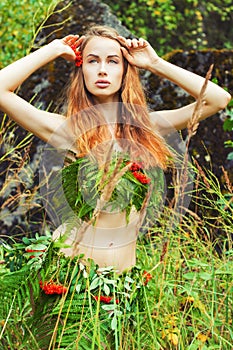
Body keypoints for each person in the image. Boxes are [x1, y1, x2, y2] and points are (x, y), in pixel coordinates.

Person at [0, 25, 231, 273]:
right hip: (71, 277)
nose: (102, 70)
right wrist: (54, 49)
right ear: (81, 70)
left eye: (112, 61)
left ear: (125, 70)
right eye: (92, 61)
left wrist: (155, 63)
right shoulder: (69, 130)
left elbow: (218, 99)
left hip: (122, 285)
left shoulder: (144, 128)